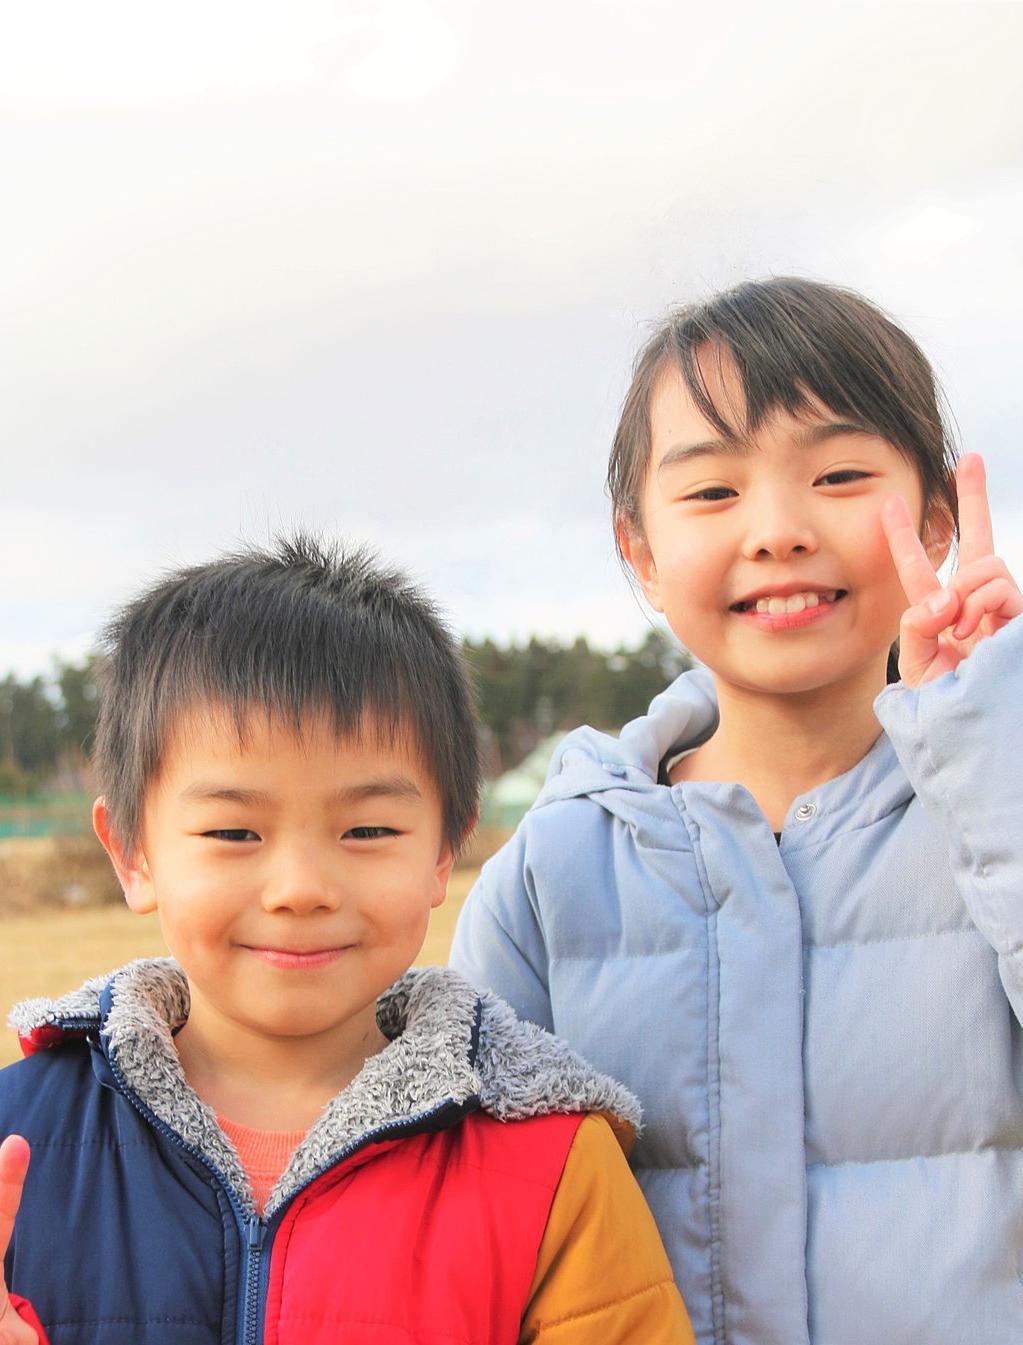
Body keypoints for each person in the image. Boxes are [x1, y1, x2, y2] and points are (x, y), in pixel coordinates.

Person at [451, 277, 1023, 1345]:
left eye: (839, 475)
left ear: (936, 519)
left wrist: (994, 744)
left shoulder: (994, 806)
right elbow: (467, 1219)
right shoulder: (555, 869)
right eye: (713, 491)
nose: (778, 530)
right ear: (641, 554)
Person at [0, 536, 693, 1345]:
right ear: (131, 852)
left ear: (443, 851)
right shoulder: (19, 1136)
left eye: (367, 829)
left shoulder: (552, 1163)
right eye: (233, 831)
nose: (301, 887)